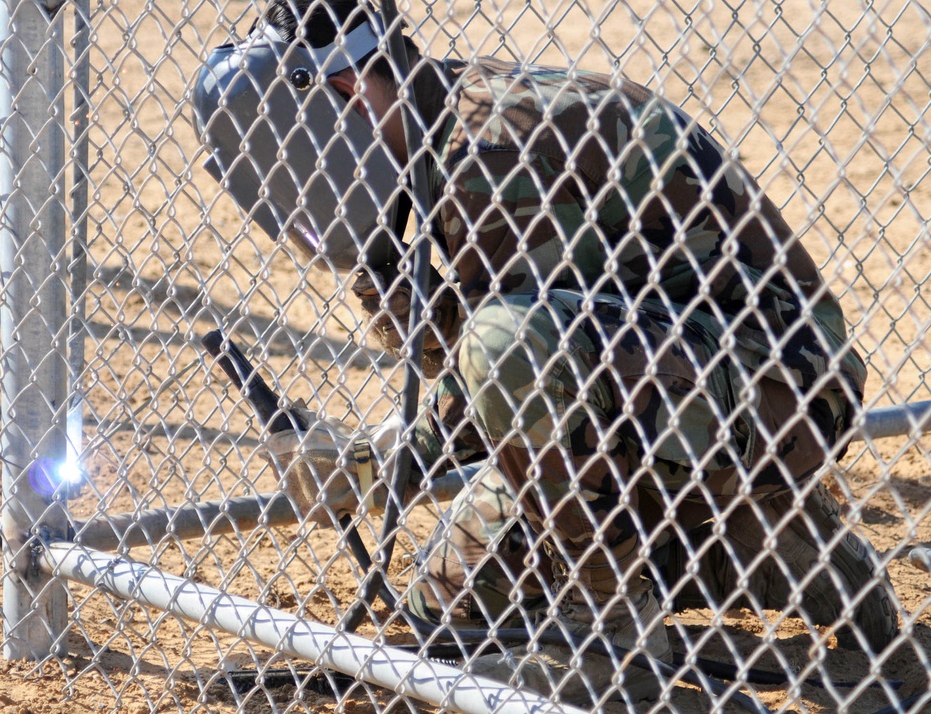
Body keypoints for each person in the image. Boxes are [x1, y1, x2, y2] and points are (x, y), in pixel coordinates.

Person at [193, 0, 898, 704]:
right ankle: (756, 540)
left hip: (777, 383)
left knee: (507, 348)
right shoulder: (434, 133)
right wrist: (374, 263)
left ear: (344, 91)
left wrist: (381, 464)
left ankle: (613, 623)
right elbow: (491, 370)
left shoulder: (491, 155)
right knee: (446, 605)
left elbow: (511, 360)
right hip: (663, 385)